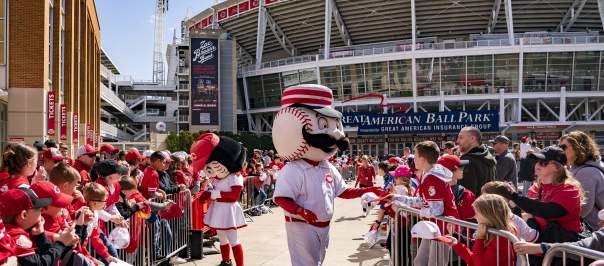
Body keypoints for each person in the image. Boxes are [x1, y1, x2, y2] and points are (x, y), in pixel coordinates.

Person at [271, 84, 385, 266]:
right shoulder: (293, 169)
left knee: (317, 263)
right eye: (324, 125)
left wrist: (372, 189)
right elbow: (281, 199)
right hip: (301, 226)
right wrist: (300, 211)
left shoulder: (327, 166)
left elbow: (343, 192)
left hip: (324, 226)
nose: (335, 134)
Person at [489, 146, 584, 263]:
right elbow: (527, 214)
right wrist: (515, 204)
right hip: (537, 249)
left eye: (543, 163)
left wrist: (514, 197)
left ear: (557, 167)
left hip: (563, 252)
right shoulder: (535, 188)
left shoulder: (569, 189)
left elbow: (549, 212)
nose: (537, 165)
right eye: (537, 161)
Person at [391, 141, 458, 266]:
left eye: (415, 156)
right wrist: (396, 197)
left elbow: (436, 211)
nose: (413, 159)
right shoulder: (428, 174)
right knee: (420, 262)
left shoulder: (433, 177)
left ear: (423, 159)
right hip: (433, 227)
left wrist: (421, 212)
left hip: (441, 229)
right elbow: (422, 201)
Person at [191, 133, 248, 266]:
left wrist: (214, 194)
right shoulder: (216, 178)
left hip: (229, 210)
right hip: (218, 209)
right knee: (222, 238)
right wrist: (206, 194)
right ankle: (225, 261)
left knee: (233, 239)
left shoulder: (234, 176)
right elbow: (211, 191)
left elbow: (233, 196)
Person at [0, 187, 79, 265]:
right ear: (24, 215)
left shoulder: (16, 229)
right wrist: (61, 243)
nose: (42, 211)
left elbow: (44, 255)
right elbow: (40, 264)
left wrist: (40, 236)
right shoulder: (16, 236)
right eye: (38, 209)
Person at [443, 194, 517, 266]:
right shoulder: (492, 232)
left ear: (488, 215)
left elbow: (478, 263)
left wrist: (480, 239)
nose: (474, 216)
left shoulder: (501, 238)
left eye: (477, 212)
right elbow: (474, 260)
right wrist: (456, 241)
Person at [560, 131, 604, 231]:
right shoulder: (581, 169)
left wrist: (560, 218)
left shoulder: (586, 172)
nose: (560, 151)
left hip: (593, 231)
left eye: (563, 147)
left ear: (578, 148)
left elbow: (583, 207)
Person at [456, 126, 496, 196]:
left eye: (461, 137)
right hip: (487, 204)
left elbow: (464, 194)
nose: (457, 141)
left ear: (472, 139)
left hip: (472, 205)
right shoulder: (489, 156)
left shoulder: (464, 161)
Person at [438, 154, 475, 221]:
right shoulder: (467, 194)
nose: (463, 169)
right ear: (450, 171)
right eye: (461, 167)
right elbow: (471, 220)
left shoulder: (432, 189)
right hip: (460, 230)